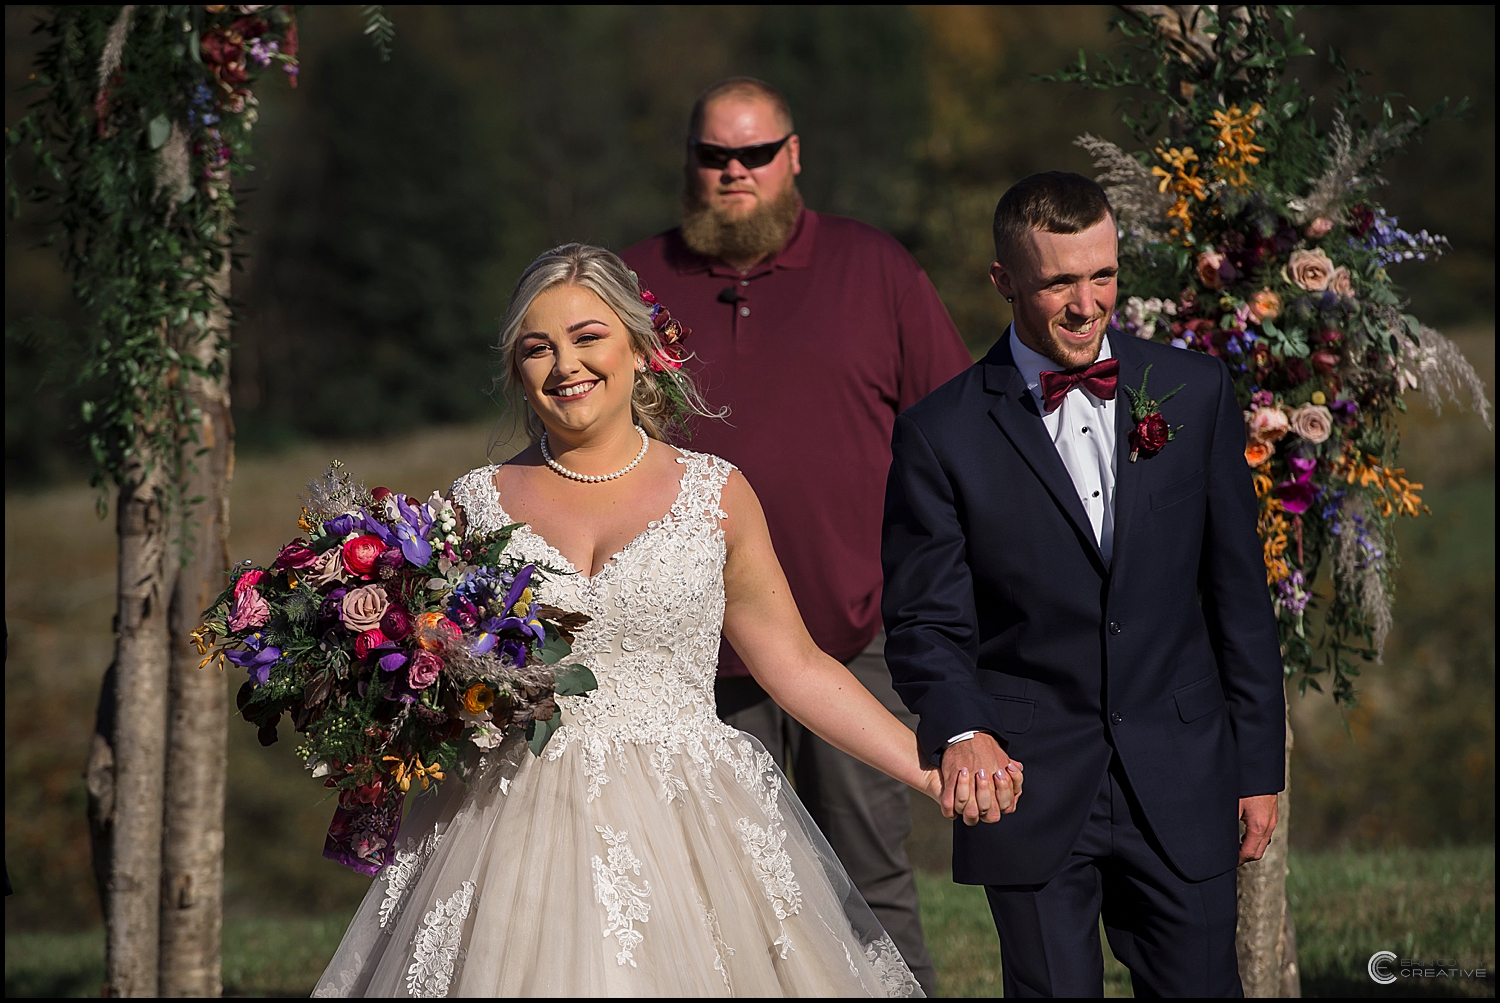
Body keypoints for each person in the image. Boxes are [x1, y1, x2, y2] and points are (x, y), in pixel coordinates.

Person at [312, 243, 1020, 998]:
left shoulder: (716, 495)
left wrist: (928, 765)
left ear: (641, 347)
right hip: (506, 826)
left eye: (588, 337)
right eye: (537, 348)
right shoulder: (473, 505)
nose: (564, 366)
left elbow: (796, 666)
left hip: (688, 824)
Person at [881, 172, 1286, 997]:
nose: (1086, 302)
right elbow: (925, 622)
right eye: (1059, 281)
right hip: (1028, 784)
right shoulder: (939, 432)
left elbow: (1238, 595)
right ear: (1003, 282)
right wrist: (962, 731)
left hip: (1184, 770)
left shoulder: (1197, 392)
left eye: (1102, 275)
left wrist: (1257, 764)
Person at [621, 78, 971, 995]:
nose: (734, 172)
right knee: (706, 894)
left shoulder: (874, 268)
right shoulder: (627, 283)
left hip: (853, 639)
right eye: (714, 155)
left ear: (794, 155)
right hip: (688, 656)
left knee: (867, 885)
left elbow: (958, 432)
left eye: (756, 153)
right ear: (689, 161)